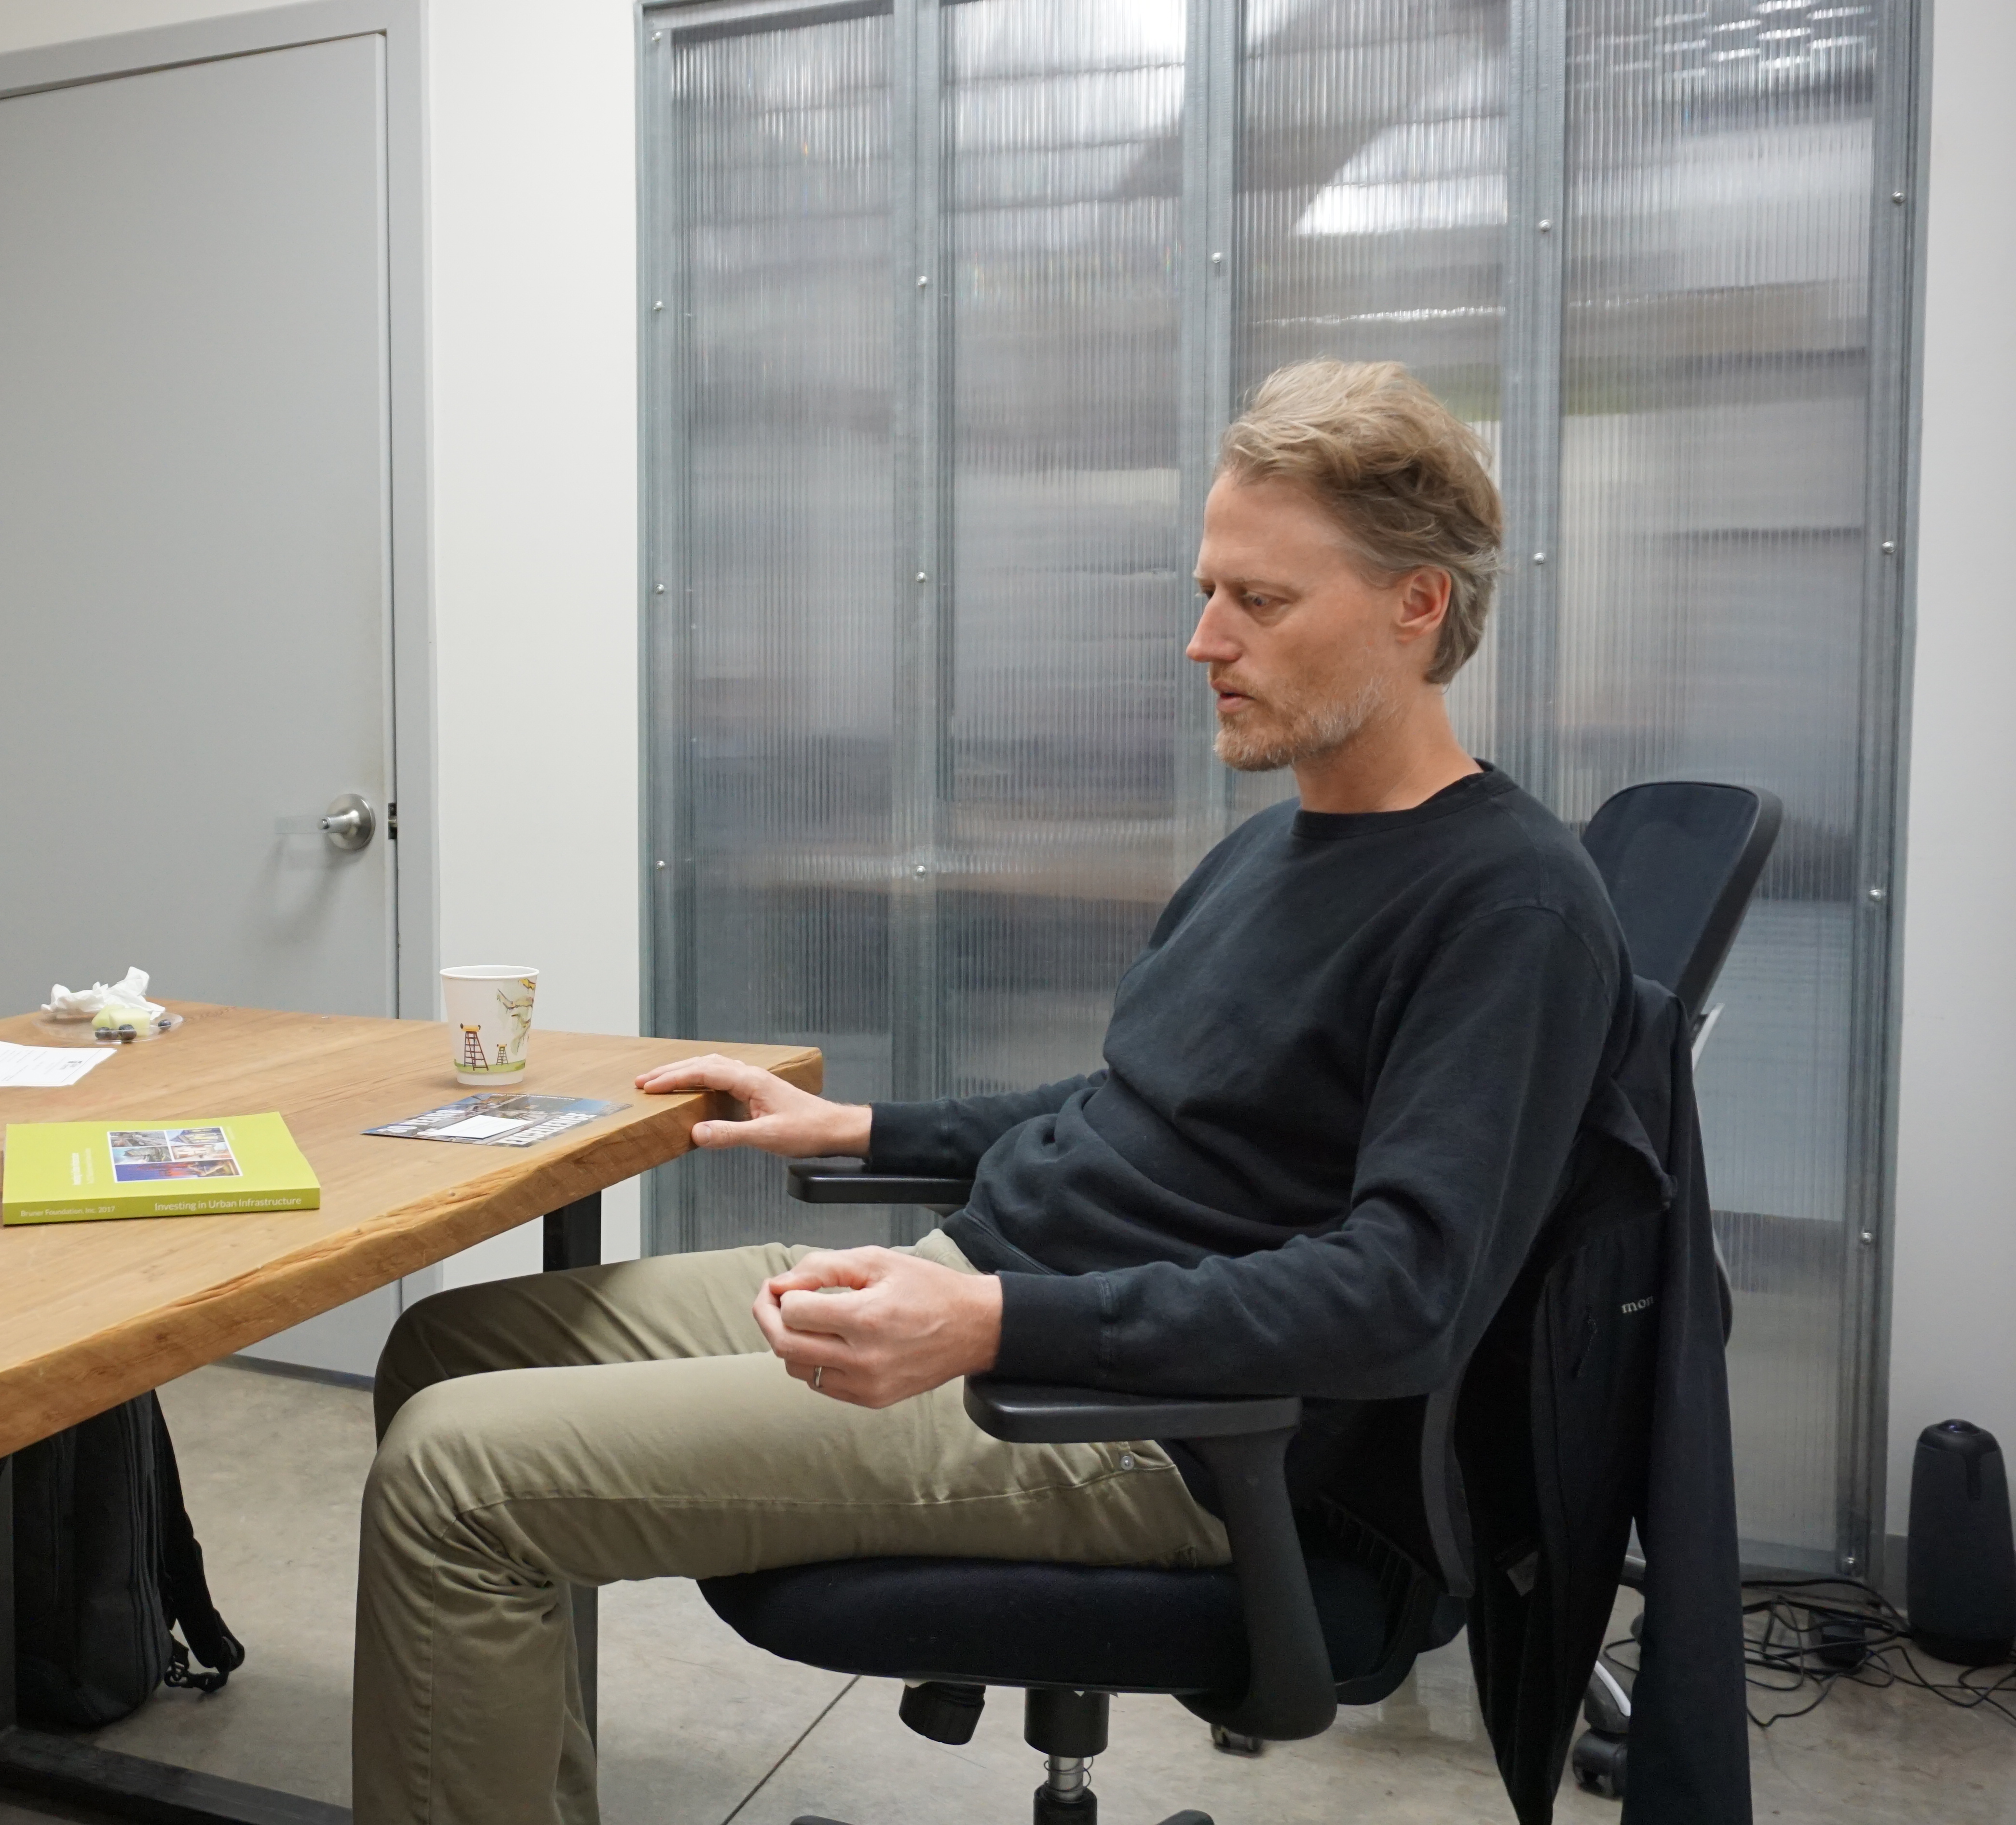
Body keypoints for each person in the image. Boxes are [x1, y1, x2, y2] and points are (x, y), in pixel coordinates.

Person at [353, 361, 1629, 1825]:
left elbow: (1405, 1295)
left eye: (1261, 602)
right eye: (1208, 592)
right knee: (447, 1350)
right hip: (1001, 1294)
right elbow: (1143, 1106)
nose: (1205, 639)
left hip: (1152, 1425)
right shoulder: (1275, 852)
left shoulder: (1508, 908)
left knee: (458, 1478)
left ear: (1418, 605)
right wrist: (866, 1129)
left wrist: (993, 1324)